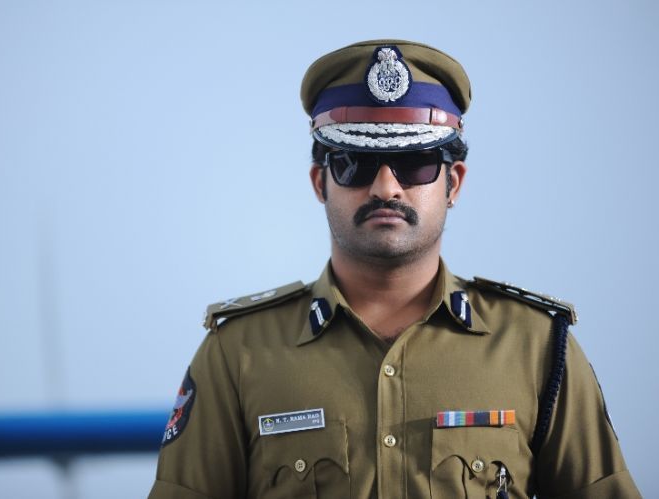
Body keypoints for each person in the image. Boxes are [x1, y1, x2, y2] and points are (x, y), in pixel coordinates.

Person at [147, 39, 640, 498]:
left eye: (416, 163)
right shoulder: (237, 354)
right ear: (320, 183)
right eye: (354, 164)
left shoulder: (536, 347)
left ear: (454, 183)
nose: (386, 188)